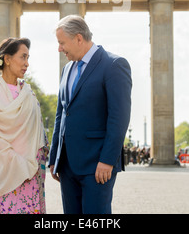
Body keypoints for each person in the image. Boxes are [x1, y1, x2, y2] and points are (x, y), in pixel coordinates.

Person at [49, 15, 132, 214]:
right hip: (67, 166)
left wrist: (107, 160)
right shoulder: (66, 70)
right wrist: (55, 156)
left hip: (97, 165)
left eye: (62, 43)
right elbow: (61, 115)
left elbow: (118, 118)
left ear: (78, 38)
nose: (59, 48)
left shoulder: (114, 65)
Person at [0, 37, 48, 214]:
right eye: (23, 57)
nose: (27, 63)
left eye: (28, 58)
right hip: (4, 172)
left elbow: (38, 131)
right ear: (7, 59)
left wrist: (34, 163)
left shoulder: (29, 93)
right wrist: (22, 164)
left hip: (31, 172)